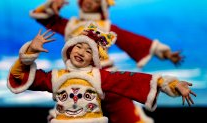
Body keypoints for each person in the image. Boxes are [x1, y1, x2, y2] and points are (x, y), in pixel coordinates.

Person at [29, 0, 183, 122]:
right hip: (76, 78)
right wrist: (51, 3)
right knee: (69, 113)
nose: (90, 2)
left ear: (102, 6)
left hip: (105, 75)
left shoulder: (106, 26)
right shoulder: (70, 25)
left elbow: (133, 41)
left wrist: (166, 53)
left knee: (127, 115)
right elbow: (43, 17)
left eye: (97, 1)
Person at [7, 23, 196, 123]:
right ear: (69, 49)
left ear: (94, 60)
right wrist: (30, 52)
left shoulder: (100, 77)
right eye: (78, 47)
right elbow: (21, 77)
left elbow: (133, 80)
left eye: (88, 51)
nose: (81, 52)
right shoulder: (55, 77)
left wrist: (171, 84)